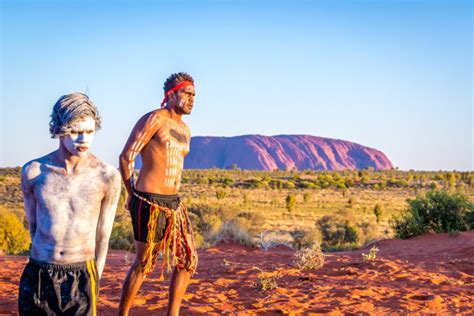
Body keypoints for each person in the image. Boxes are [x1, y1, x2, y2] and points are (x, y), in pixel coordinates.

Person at [19, 93, 121, 316]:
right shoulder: (33, 171)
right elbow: (34, 228)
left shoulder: (107, 176)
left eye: (90, 132)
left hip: (82, 273)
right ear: (59, 130)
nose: (83, 139)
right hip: (39, 272)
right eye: (75, 131)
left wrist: (96, 277)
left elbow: (103, 236)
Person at [118, 72, 198, 316]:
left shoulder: (185, 129)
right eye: (187, 93)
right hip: (148, 201)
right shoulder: (154, 119)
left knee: (188, 259)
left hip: (174, 204)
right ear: (171, 95)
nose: (192, 99)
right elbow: (126, 157)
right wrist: (131, 194)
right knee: (144, 263)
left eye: (195, 95)